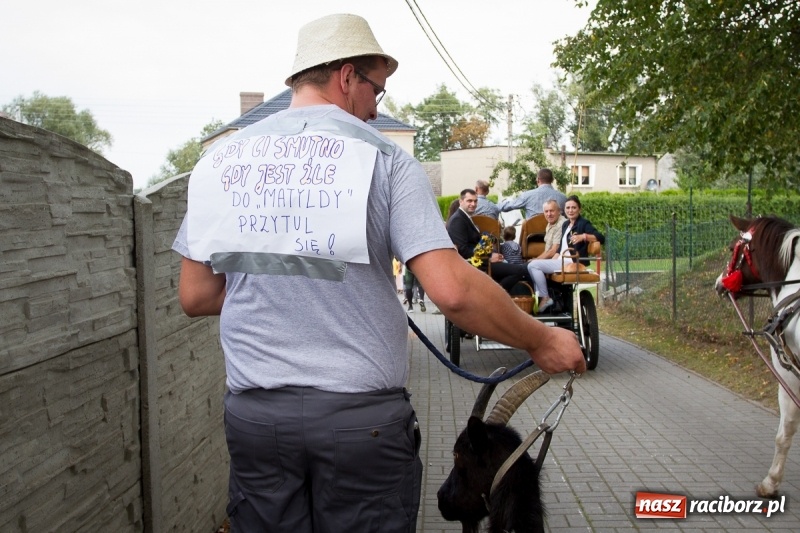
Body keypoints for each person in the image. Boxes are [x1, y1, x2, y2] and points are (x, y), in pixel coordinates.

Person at [173, 13, 585, 533]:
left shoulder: (220, 162)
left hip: (257, 421)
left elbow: (196, 293)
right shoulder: (385, 159)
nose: (374, 109)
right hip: (358, 426)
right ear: (346, 77)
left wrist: (280, 288)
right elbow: (452, 291)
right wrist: (540, 339)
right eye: (376, 91)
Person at [527, 195, 605, 313]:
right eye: (568, 208)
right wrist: (549, 262)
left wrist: (583, 236)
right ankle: (552, 301)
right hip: (561, 260)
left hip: (572, 261)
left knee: (533, 265)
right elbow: (559, 250)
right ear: (564, 210)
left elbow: (601, 237)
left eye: (574, 208)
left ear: (579, 209)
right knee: (535, 265)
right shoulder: (565, 225)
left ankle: (545, 297)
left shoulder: (583, 224)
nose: (570, 210)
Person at [447, 189, 529, 292]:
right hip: (475, 265)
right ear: (461, 201)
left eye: (475, 201)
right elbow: (464, 250)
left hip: (480, 262)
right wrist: (489, 257)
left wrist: (490, 250)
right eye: (469, 201)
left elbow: (474, 244)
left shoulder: (465, 217)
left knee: (520, 269)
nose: (473, 204)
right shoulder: (458, 220)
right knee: (520, 270)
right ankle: (494, 296)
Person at [499, 168, 567, 219]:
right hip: (556, 236)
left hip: (532, 237)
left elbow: (508, 206)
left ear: (538, 180)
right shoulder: (563, 198)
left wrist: (495, 206)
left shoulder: (527, 195)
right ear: (552, 180)